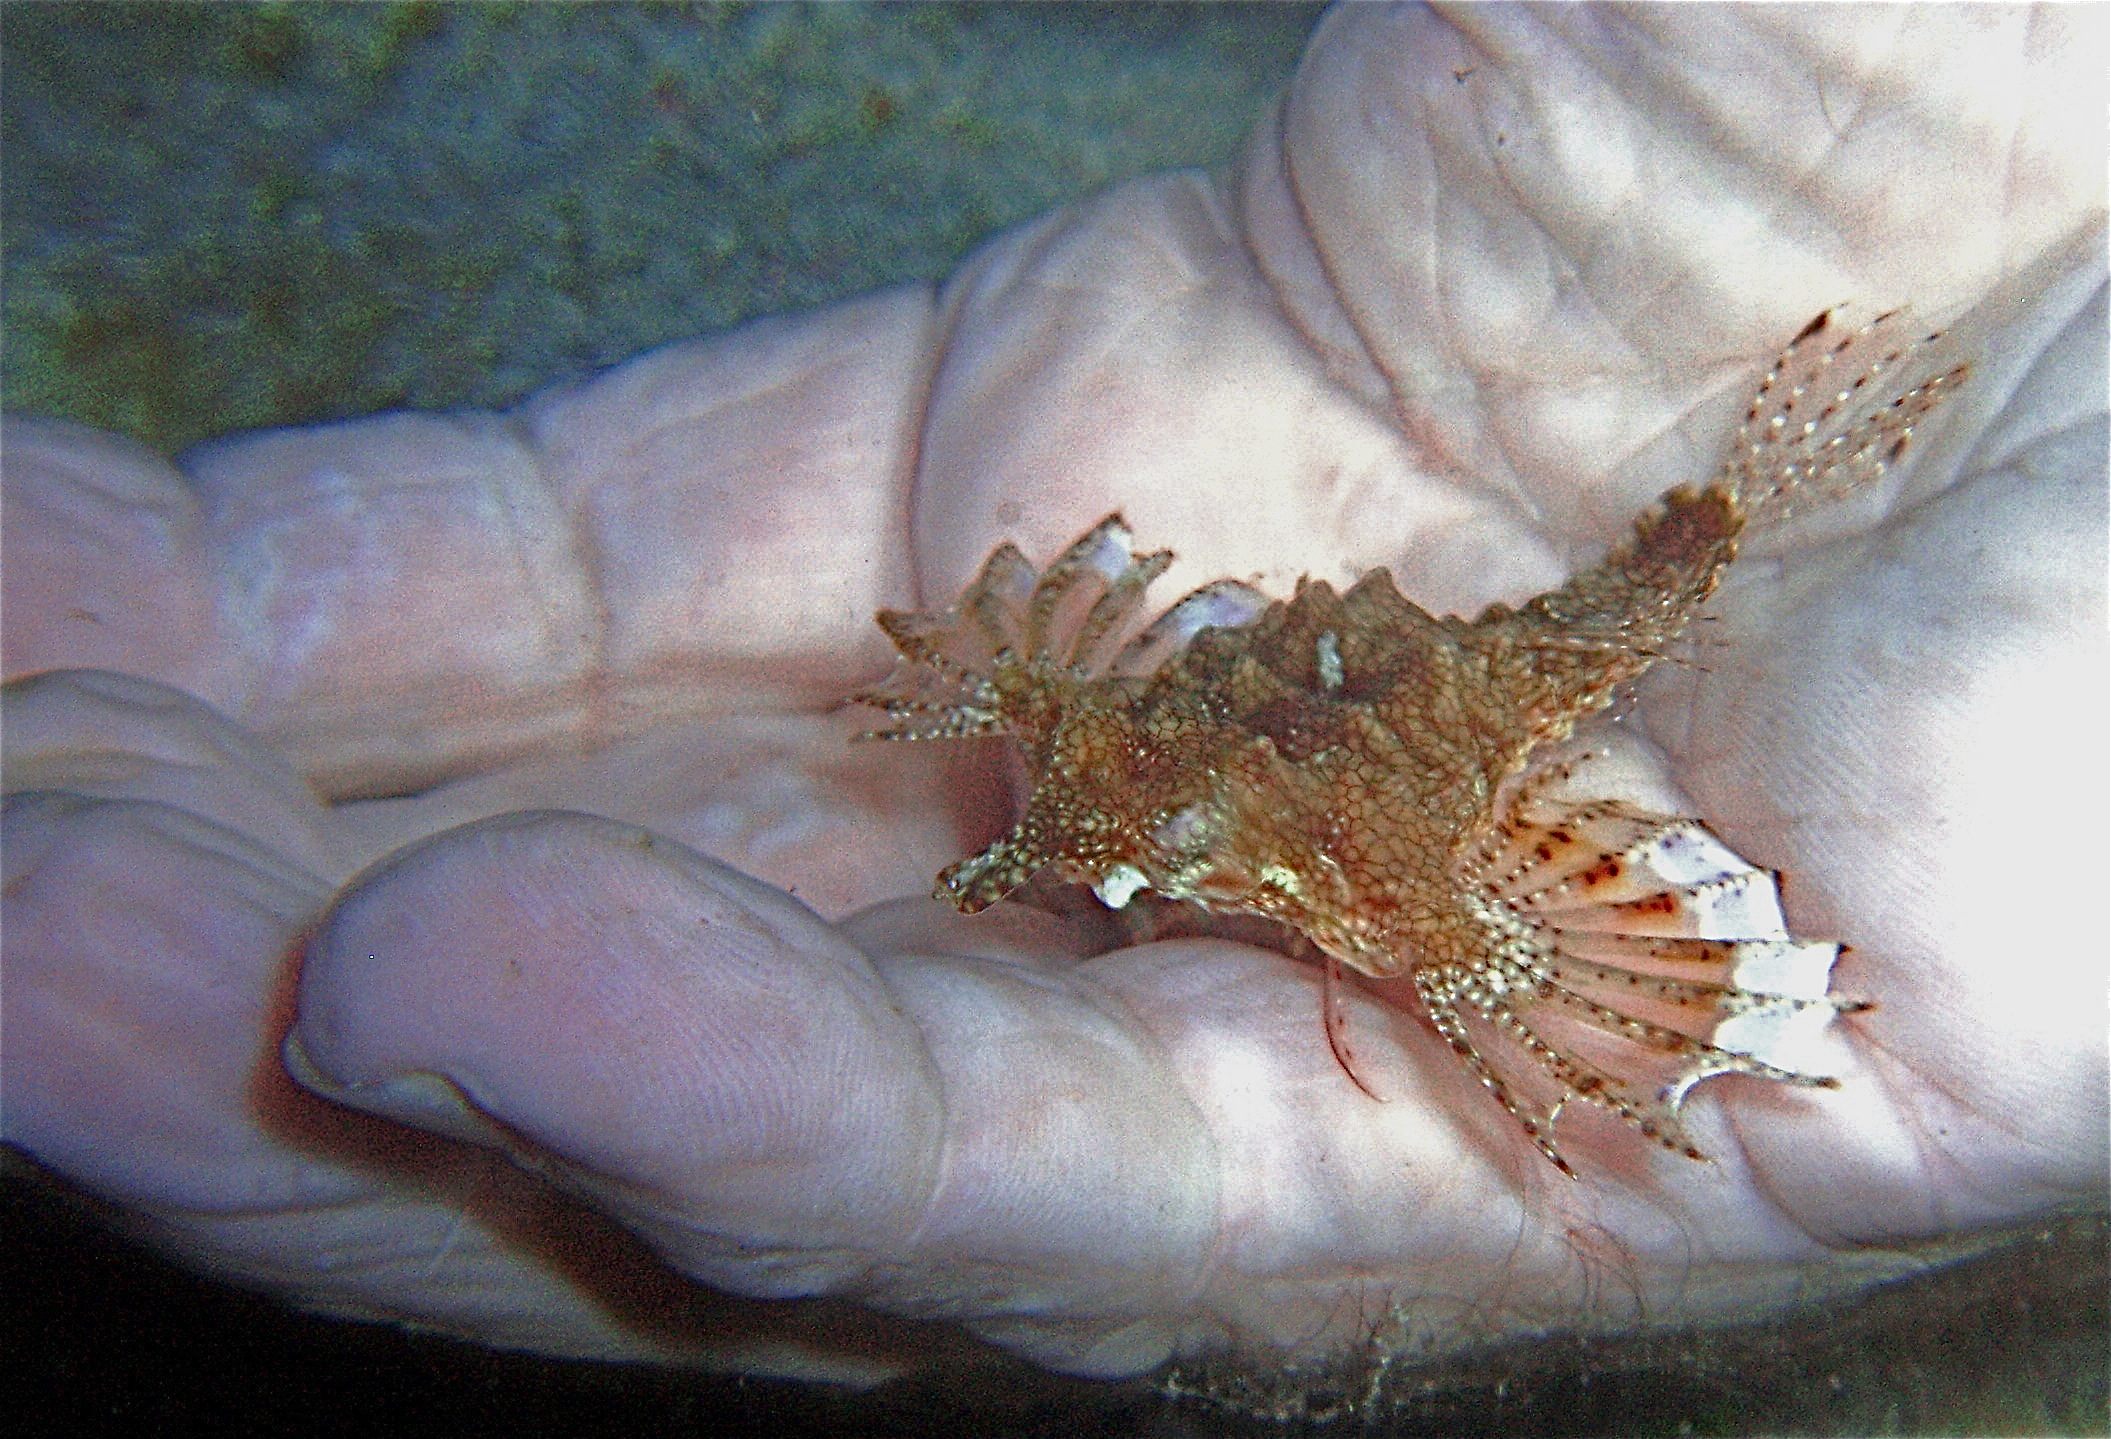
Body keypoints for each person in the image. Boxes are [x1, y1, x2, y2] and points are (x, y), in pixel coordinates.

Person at [4, 0, 2104, 1396]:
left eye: (1097, 851)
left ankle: (1759, 501)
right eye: (1076, 837)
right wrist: (1033, 754)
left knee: (1532, 983)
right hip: (1360, 704)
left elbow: (1482, 919)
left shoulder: (1378, 889)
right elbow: (1055, 675)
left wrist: (1516, 1006)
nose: (1049, 855)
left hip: (1495, 687)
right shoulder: (1100, 763)